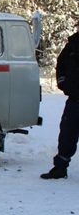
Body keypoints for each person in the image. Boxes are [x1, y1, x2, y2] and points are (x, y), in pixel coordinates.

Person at [41, 31, 79, 179]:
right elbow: (61, 64)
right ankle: (60, 168)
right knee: (67, 135)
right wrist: (63, 82)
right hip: (74, 100)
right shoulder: (73, 44)